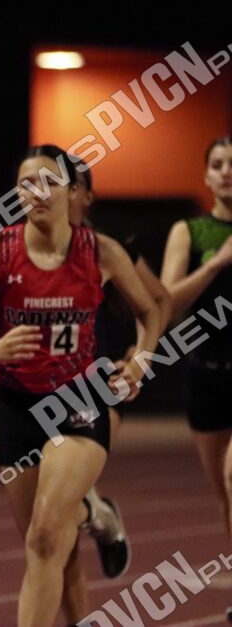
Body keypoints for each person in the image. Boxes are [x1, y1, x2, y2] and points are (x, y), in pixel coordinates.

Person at [0, 145, 160, 627]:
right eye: (26, 184)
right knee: (47, 546)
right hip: (14, 407)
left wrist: (140, 361)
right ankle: (95, 516)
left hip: (78, 401)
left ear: (72, 191)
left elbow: (150, 310)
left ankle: (89, 512)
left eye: (48, 182)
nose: (37, 192)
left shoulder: (101, 251)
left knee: (46, 531)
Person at [67, 163, 172, 586]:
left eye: (69, 186)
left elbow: (158, 301)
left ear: (86, 196)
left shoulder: (110, 248)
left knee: (64, 494)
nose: (56, 194)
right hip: (38, 386)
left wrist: (140, 359)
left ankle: (100, 520)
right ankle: (100, 515)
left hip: (101, 379)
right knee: (48, 505)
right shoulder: (18, 250)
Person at [160, 136, 232, 618]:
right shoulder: (189, 232)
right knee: (225, 496)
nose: (227, 172)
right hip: (207, 375)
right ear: (206, 175)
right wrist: (217, 265)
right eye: (218, 164)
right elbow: (165, 304)